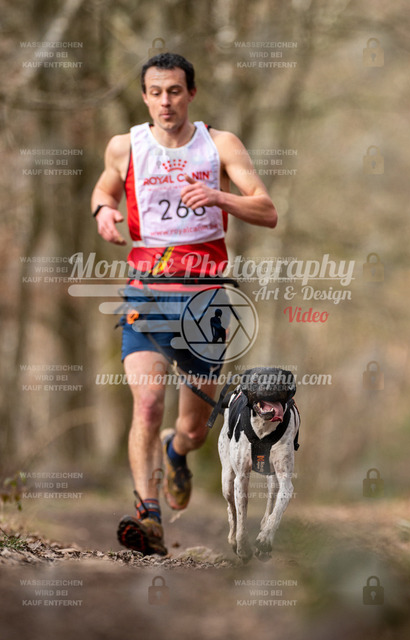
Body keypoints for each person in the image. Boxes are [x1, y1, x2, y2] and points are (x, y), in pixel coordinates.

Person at [91, 52, 277, 556]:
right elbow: (104, 189)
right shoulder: (125, 146)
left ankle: (177, 452)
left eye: (174, 90)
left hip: (203, 303)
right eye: (155, 92)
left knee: (193, 428)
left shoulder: (220, 145)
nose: (165, 101)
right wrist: (103, 211)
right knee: (148, 404)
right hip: (147, 294)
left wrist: (220, 198)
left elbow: (267, 210)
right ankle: (148, 517)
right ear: (144, 97)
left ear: (191, 93)